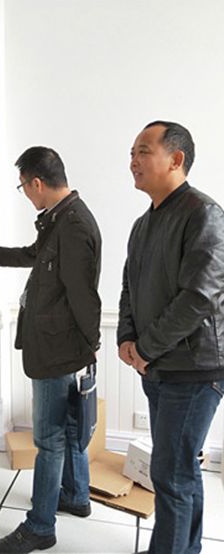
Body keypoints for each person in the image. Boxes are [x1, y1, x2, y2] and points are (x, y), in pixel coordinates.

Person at [0, 146, 102, 553]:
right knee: (68, 429)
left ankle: (40, 527)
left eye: (24, 186)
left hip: (58, 349)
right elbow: (33, 256)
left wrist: (90, 346)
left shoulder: (73, 225)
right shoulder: (60, 219)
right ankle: (75, 496)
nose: (25, 193)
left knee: (49, 438)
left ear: (37, 183)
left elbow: (84, 296)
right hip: (57, 345)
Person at [118, 121, 224, 554]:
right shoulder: (143, 224)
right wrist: (127, 337)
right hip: (158, 366)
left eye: (143, 151)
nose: (133, 161)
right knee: (180, 470)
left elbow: (199, 297)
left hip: (194, 369)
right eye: (132, 153)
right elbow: (129, 286)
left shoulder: (204, 214)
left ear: (176, 159)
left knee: (171, 474)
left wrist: (145, 347)